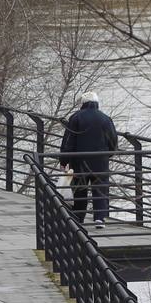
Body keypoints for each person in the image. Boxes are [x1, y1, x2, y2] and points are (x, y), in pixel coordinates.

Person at [60, 91, 118, 228]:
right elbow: (113, 141)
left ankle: (79, 217)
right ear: (97, 103)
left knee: (80, 188)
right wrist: (108, 154)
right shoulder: (105, 118)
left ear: (83, 103)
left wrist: (63, 161)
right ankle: (100, 218)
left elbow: (69, 141)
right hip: (100, 161)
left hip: (79, 160)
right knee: (100, 188)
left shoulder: (76, 118)